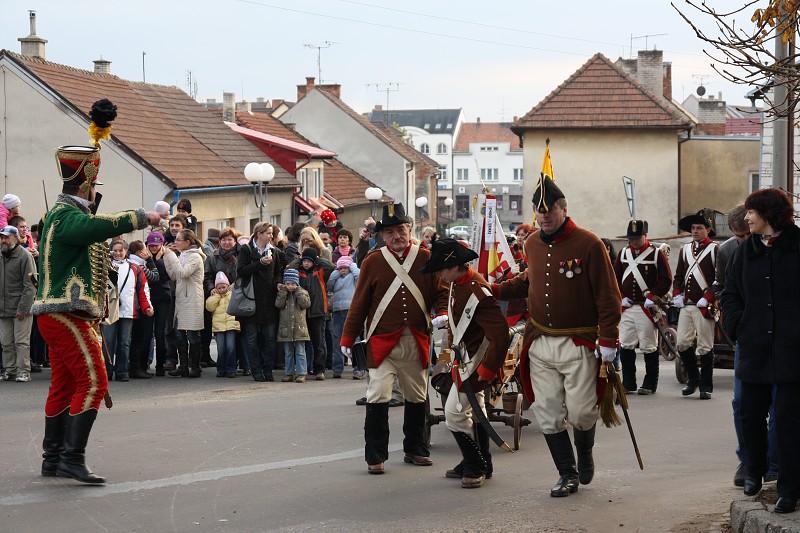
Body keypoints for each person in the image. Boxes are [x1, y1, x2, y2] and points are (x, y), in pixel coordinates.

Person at [31, 98, 162, 484]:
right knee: (94, 381)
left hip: (60, 315)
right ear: (86, 186)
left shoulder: (61, 214)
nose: (95, 194)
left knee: (65, 385)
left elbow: (89, 225)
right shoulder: (68, 217)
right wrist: (141, 216)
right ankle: (72, 458)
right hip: (64, 313)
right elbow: (93, 228)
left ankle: (52, 458)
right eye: (94, 187)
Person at [493, 175, 621, 497]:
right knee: (547, 413)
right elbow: (528, 281)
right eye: (540, 211)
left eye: (550, 210)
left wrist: (607, 339)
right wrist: (491, 288)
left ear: (564, 209)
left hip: (578, 342)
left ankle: (585, 451)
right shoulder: (531, 243)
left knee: (581, 412)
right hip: (539, 342)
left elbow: (608, 296)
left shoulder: (589, 243)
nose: (545, 216)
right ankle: (567, 473)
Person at [340, 203, 449, 475]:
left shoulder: (425, 258)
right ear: (382, 236)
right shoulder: (372, 261)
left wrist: (443, 312)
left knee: (416, 396)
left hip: (416, 339)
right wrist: (347, 337)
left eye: (400, 229)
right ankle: (375, 456)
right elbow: (360, 303)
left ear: (409, 229)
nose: (396, 236)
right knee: (377, 395)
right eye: (390, 232)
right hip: (381, 342)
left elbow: (441, 292)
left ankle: (415, 448)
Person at [720, 187, 800, 514]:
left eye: (752, 212)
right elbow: (730, 294)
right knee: (749, 413)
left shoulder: (797, 246)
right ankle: (753, 469)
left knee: (788, 420)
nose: (747, 217)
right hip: (754, 347)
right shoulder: (744, 252)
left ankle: (790, 487)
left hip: (793, 349)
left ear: (768, 214)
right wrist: (738, 326)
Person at [420, 238, 509, 488]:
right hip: (463, 359)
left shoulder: (475, 288)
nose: (439, 275)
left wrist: (487, 370)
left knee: (454, 415)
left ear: (456, 265)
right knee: (474, 412)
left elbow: (499, 334)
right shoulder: (457, 283)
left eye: (442, 269)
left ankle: (475, 465)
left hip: (477, 361)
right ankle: (483, 462)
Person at [713, 205, 780, 488]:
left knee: (779, 404)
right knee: (743, 403)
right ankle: (749, 458)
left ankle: (775, 463)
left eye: (745, 234)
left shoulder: (779, 246)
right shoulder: (728, 251)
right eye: (738, 236)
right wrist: (737, 325)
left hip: (779, 341)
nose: (742, 241)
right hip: (748, 339)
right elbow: (723, 290)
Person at [613, 220, 672, 395]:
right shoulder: (624, 253)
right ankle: (629, 382)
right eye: (631, 238)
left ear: (645, 236)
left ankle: (650, 383)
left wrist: (653, 296)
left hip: (646, 307)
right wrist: (621, 297)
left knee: (648, 346)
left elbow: (665, 280)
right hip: (627, 307)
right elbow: (615, 278)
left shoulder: (656, 254)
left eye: (637, 238)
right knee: (626, 344)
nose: (634, 241)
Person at [673, 208, 719, 400]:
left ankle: (706, 386)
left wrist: (708, 297)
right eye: (693, 228)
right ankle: (694, 379)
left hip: (704, 306)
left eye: (699, 228)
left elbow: (719, 279)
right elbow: (678, 277)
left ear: (708, 230)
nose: (695, 231)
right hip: (688, 304)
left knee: (705, 346)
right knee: (682, 343)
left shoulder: (715, 249)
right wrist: (676, 294)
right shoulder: (685, 250)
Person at [237, 222, 286, 382]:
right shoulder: (246, 250)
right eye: (268, 233)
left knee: (270, 339)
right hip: (251, 300)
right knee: (251, 339)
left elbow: (278, 272)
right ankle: (256, 370)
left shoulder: (275, 252)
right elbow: (241, 271)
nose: (271, 236)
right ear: (259, 233)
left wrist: (278, 283)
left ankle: (268, 370)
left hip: (269, 301)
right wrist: (259, 264)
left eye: (272, 233)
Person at [103, 239, 153, 381]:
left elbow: (143, 290)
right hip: (109, 310)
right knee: (108, 342)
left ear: (126, 251)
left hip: (128, 310)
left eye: (121, 250)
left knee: (125, 343)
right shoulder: (105, 267)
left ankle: (122, 371)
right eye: (116, 250)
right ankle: (106, 371)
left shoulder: (135, 268)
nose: (118, 253)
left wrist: (147, 306)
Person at [163, 229, 207, 378]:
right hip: (182, 298)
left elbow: (183, 272)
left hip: (192, 299)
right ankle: (183, 366)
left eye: (179, 240)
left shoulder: (195, 256)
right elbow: (174, 275)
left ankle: (195, 366)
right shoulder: (183, 255)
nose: (176, 243)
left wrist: (172, 257)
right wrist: (167, 259)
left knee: (193, 334)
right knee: (179, 334)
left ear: (187, 242)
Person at [289, 247, 335, 379]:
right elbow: (290, 267)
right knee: (303, 342)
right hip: (302, 312)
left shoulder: (319, 271)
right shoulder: (298, 272)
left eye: (309, 261)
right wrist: (299, 259)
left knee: (319, 342)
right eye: (304, 261)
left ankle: (319, 369)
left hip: (318, 311)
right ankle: (305, 368)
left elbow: (330, 267)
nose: (306, 263)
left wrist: (318, 259)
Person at [0, 225, 37, 383]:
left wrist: (23, 308)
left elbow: (30, 285)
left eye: (6, 237)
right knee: (6, 342)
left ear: (15, 238)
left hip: (21, 307)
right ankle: (10, 370)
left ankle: (23, 371)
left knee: (21, 342)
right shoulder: (1, 255)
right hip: (3, 308)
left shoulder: (24, 256)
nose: (3, 240)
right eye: (2, 238)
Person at [127, 240, 159, 378]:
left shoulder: (130, 263)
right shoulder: (138, 265)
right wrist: (150, 260)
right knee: (140, 337)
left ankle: (135, 366)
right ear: (140, 252)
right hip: (140, 305)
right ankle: (137, 367)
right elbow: (155, 277)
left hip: (134, 305)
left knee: (135, 337)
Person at [328, 255, 362, 378]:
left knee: (354, 340)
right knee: (337, 340)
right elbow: (329, 284)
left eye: (345, 267)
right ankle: (337, 368)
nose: (343, 270)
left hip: (351, 311)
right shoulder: (336, 279)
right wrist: (336, 272)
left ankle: (358, 369)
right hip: (337, 311)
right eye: (340, 268)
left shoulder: (353, 277)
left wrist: (352, 265)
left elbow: (360, 276)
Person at [144, 232, 172, 376]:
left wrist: (157, 261)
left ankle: (161, 364)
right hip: (148, 298)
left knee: (160, 333)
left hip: (162, 298)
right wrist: (149, 260)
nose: (154, 248)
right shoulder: (143, 259)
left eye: (156, 245)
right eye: (151, 245)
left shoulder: (167, 258)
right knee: (147, 333)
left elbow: (164, 277)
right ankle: (145, 363)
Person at [276, 268, 311, 382]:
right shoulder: (283, 294)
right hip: (286, 329)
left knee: (300, 352)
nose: (290, 286)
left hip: (299, 328)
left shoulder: (302, 292)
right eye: (287, 284)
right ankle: (289, 373)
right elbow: (278, 305)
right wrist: (283, 292)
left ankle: (301, 373)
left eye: (292, 284)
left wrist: (298, 291)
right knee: (288, 353)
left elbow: (305, 304)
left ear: (297, 283)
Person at [205, 272, 240, 378]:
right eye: (219, 288)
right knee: (221, 348)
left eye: (224, 287)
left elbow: (236, 303)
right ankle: (221, 369)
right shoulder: (214, 297)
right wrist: (216, 296)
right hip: (218, 327)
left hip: (231, 325)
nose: (222, 290)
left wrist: (229, 293)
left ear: (228, 286)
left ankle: (231, 369)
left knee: (230, 347)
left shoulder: (232, 295)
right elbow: (209, 307)